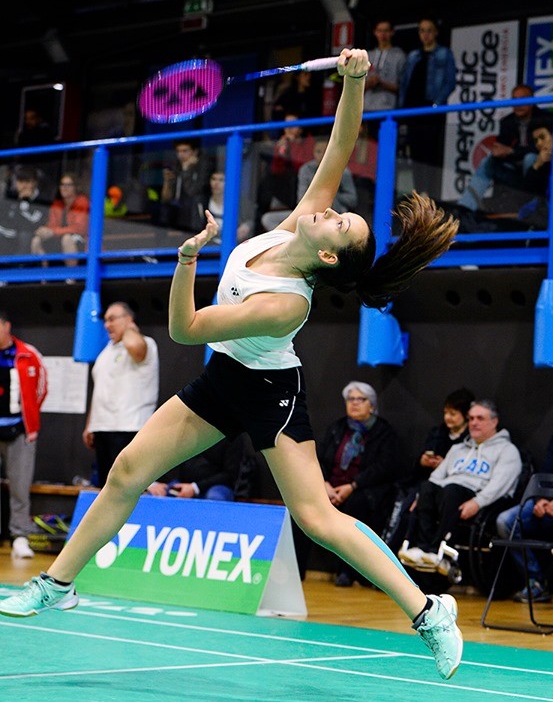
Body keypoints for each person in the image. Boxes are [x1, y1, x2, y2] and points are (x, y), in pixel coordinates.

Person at [0, 49, 463, 682]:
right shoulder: (297, 225)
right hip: (224, 377)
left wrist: (187, 261)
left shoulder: (287, 302)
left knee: (316, 519)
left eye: (340, 224)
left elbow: (185, 329)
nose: (331, 211)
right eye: (339, 210)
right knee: (128, 470)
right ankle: (56, 585)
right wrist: (353, 81)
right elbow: (340, 144)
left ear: (330, 257)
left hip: (270, 391)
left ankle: (429, 612)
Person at [293, 381, 404, 587]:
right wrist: (324, 484)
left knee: (356, 506)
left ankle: (347, 573)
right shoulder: (337, 428)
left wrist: (352, 486)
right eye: (350, 399)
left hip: (363, 490)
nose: (354, 403)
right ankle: (295, 571)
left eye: (360, 399)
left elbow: (384, 468)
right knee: (302, 509)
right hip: (330, 487)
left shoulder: (384, 432)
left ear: (372, 405)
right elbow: (318, 458)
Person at [399, 399, 522, 571]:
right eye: (471, 418)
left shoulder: (507, 451)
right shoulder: (458, 449)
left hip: (475, 497)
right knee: (426, 488)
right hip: (447, 495)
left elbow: (499, 486)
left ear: (494, 422)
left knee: (451, 490)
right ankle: (422, 548)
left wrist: (477, 502)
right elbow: (436, 477)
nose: (474, 423)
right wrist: (421, 497)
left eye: (480, 418)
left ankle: (438, 550)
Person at [384, 387, 475, 554]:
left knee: (423, 501)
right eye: (446, 413)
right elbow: (417, 466)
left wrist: (445, 464)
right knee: (407, 506)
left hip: (451, 486)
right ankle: (396, 551)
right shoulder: (437, 433)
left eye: (453, 414)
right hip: (427, 481)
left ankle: (428, 549)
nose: (448, 418)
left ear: (466, 415)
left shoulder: (471, 440)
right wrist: (423, 460)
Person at [82, 301, 159, 488]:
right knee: (106, 488)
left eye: (112, 319)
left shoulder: (145, 343)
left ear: (128, 319)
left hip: (128, 428)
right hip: (103, 428)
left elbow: (137, 350)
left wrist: (130, 329)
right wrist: (90, 424)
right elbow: (100, 389)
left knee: (127, 488)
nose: (107, 325)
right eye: (105, 320)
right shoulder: (106, 351)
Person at [0, 310, 48, 559]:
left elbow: (41, 388)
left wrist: (28, 416)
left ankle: (19, 536)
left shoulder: (28, 353)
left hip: (20, 432)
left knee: (20, 487)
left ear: (6, 326)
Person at [456, 84, 546, 214]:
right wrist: (498, 152)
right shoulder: (507, 121)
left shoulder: (545, 119)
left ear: (532, 101)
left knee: (530, 158)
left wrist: (512, 151)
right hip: (514, 171)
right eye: (514, 100)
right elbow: (503, 147)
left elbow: (541, 149)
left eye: (522, 99)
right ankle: (465, 208)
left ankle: (533, 209)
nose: (518, 104)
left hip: (539, 173)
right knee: (488, 161)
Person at [399, 17, 457, 200]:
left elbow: (450, 82)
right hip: (412, 110)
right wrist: (402, 108)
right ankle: (419, 193)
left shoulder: (444, 54)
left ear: (436, 32)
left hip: (431, 110)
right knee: (415, 153)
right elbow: (405, 83)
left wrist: (436, 103)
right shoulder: (413, 56)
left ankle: (431, 195)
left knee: (431, 152)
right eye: (422, 30)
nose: (425, 34)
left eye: (429, 30)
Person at [494, 433, 553, 604]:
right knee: (506, 522)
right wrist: (541, 499)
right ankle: (536, 580)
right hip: (547, 500)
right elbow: (546, 471)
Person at [261, 136, 358, 231]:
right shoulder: (306, 169)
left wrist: (330, 194)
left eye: (325, 151)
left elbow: (352, 200)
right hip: (308, 214)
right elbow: (301, 199)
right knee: (268, 219)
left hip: (334, 215)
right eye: (318, 151)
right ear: (313, 153)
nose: (322, 155)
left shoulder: (343, 170)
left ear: (330, 152)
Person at [255, 113, 315, 233]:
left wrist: (294, 144)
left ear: (301, 128)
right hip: (286, 189)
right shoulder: (283, 142)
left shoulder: (309, 141)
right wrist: (281, 151)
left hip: (304, 187)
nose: (289, 129)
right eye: (286, 125)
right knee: (268, 180)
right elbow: (276, 170)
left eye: (293, 125)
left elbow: (302, 167)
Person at [146, 435, 244, 501]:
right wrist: (154, 483)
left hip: (217, 486)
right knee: (154, 496)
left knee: (215, 497)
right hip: (183, 483)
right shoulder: (188, 432)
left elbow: (230, 475)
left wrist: (195, 487)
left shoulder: (231, 436)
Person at [30, 172, 89, 270]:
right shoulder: (57, 204)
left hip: (83, 241)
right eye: (62, 185)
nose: (64, 188)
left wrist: (53, 232)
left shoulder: (82, 201)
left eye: (68, 185)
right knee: (36, 240)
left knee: (67, 238)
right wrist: (45, 231)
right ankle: (42, 275)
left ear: (76, 187)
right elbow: (52, 225)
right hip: (58, 239)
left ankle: (71, 276)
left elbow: (80, 228)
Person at [155, 139, 212, 233]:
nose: (180, 155)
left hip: (194, 214)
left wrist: (186, 171)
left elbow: (192, 192)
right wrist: (167, 182)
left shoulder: (203, 166)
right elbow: (166, 198)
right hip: (176, 214)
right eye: (178, 151)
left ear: (195, 152)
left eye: (185, 151)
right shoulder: (176, 166)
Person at [364, 19, 406, 140]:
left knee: (386, 144)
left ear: (392, 32)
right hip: (366, 110)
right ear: (375, 33)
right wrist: (370, 83)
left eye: (386, 31)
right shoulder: (367, 56)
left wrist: (382, 84)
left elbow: (402, 87)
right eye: (380, 31)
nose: (383, 34)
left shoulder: (399, 56)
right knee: (368, 147)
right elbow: (357, 86)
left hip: (388, 110)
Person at [0, 166, 49, 255]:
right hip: (8, 235)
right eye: (20, 182)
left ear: (35, 183)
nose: (23, 186)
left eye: (27, 182)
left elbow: (33, 223)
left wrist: (25, 201)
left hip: (27, 236)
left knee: (24, 235)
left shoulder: (42, 200)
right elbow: (4, 218)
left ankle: (21, 263)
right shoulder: (10, 197)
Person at [204, 170, 253, 245]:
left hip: (233, 245)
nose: (216, 183)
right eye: (213, 179)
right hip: (208, 245)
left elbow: (251, 220)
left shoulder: (240, 203)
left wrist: (247, 226)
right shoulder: (202, 202)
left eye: (221, 180)